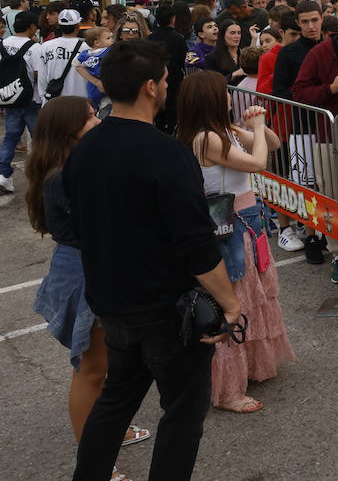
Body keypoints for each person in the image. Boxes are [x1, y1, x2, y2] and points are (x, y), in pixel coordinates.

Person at [66, 39, 242, 481]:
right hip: (168, 311)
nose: (168, 86)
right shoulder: (166, 153)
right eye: (165, 80)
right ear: (150, 87)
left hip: (112, 303)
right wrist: (232, 304)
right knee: (182, 413)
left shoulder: (85, 149)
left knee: (114, 403)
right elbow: (196, 244)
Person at [27, 97, 150, 476]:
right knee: (91, 368)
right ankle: (94, 458)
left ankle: (108, 430)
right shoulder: (63, 176)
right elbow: (93, 230)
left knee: (106, 364)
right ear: (70, 130)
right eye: (92, 116)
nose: (99, 120)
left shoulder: (70, 166)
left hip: (89, 267)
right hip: (84, 272)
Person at [177, 70, 295, 413]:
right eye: (223, 92)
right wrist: (256, 127)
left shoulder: (221, 131)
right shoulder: (205, 138)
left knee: (252, 296)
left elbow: (272, 144)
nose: (230, 96)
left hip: (246, 221)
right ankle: (227, 389)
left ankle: (253, 368)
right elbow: (259, 161)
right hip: (227, 227)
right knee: (233, 301)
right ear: (212, 99)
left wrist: (255, 125)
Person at [293, 10, 338, 281]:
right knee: (335, 197)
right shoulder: (319, 54)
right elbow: (299, 92)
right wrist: (330, 90)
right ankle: (337, 252)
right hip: (331, 137)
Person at [272, 1, 326, 261]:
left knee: (330, 184)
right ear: (297, 22)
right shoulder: (289, 53)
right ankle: (313, 236)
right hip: (302, 128)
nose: (310, 26)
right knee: (306, 184)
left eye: (314, 20)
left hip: (330, 128)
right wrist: (311, 96)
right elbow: (279, 91)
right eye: (304, 22)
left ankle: (330, 235)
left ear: (322, 18)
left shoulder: (332, 46)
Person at [0, 10, 42, 194]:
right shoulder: (34, 47)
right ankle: (42, 175)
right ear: (32, 27)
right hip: (31, 100)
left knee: (10, 137)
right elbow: (38, 75)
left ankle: (2, 175)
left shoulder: (4, 43)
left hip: (10, 98)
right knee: (41, 139)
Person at [147, 5, 188, 136]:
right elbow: (184, 61)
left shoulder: (150, 38)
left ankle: (159, 133)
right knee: (173, 113)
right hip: (175, 80)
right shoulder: (179, 38)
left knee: (157, 111)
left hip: (154, 79)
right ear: (173, 19)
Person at [37, 8, 86, 100]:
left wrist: (43, 97)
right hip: (81, 101)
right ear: (78, 26)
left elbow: (42, 76)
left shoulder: (45, 46)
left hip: (54, 101)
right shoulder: (87, 48)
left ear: (59, 25)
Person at [74, 27, 114, 117]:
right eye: (108, 38)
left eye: (112, 37)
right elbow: (76, 64)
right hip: (99, 82)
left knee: (96, 103)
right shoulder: (107, 51)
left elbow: (76, 64)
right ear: (97, 43)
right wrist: (96, 82)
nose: (112, 40)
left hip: (93, 84)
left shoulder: (85, 54)